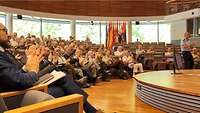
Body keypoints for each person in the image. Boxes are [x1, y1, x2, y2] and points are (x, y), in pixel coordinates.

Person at [0, 23, 103, 113]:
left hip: (21, 89)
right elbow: (19, 80)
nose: (8, 34)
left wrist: (27, 68)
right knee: (65, 84)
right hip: (14, 97)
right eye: (4, 30)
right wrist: (32, 70)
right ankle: (91, 110)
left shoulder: (4, 52)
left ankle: (91, 109)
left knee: (63, 81)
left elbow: (15, 73)